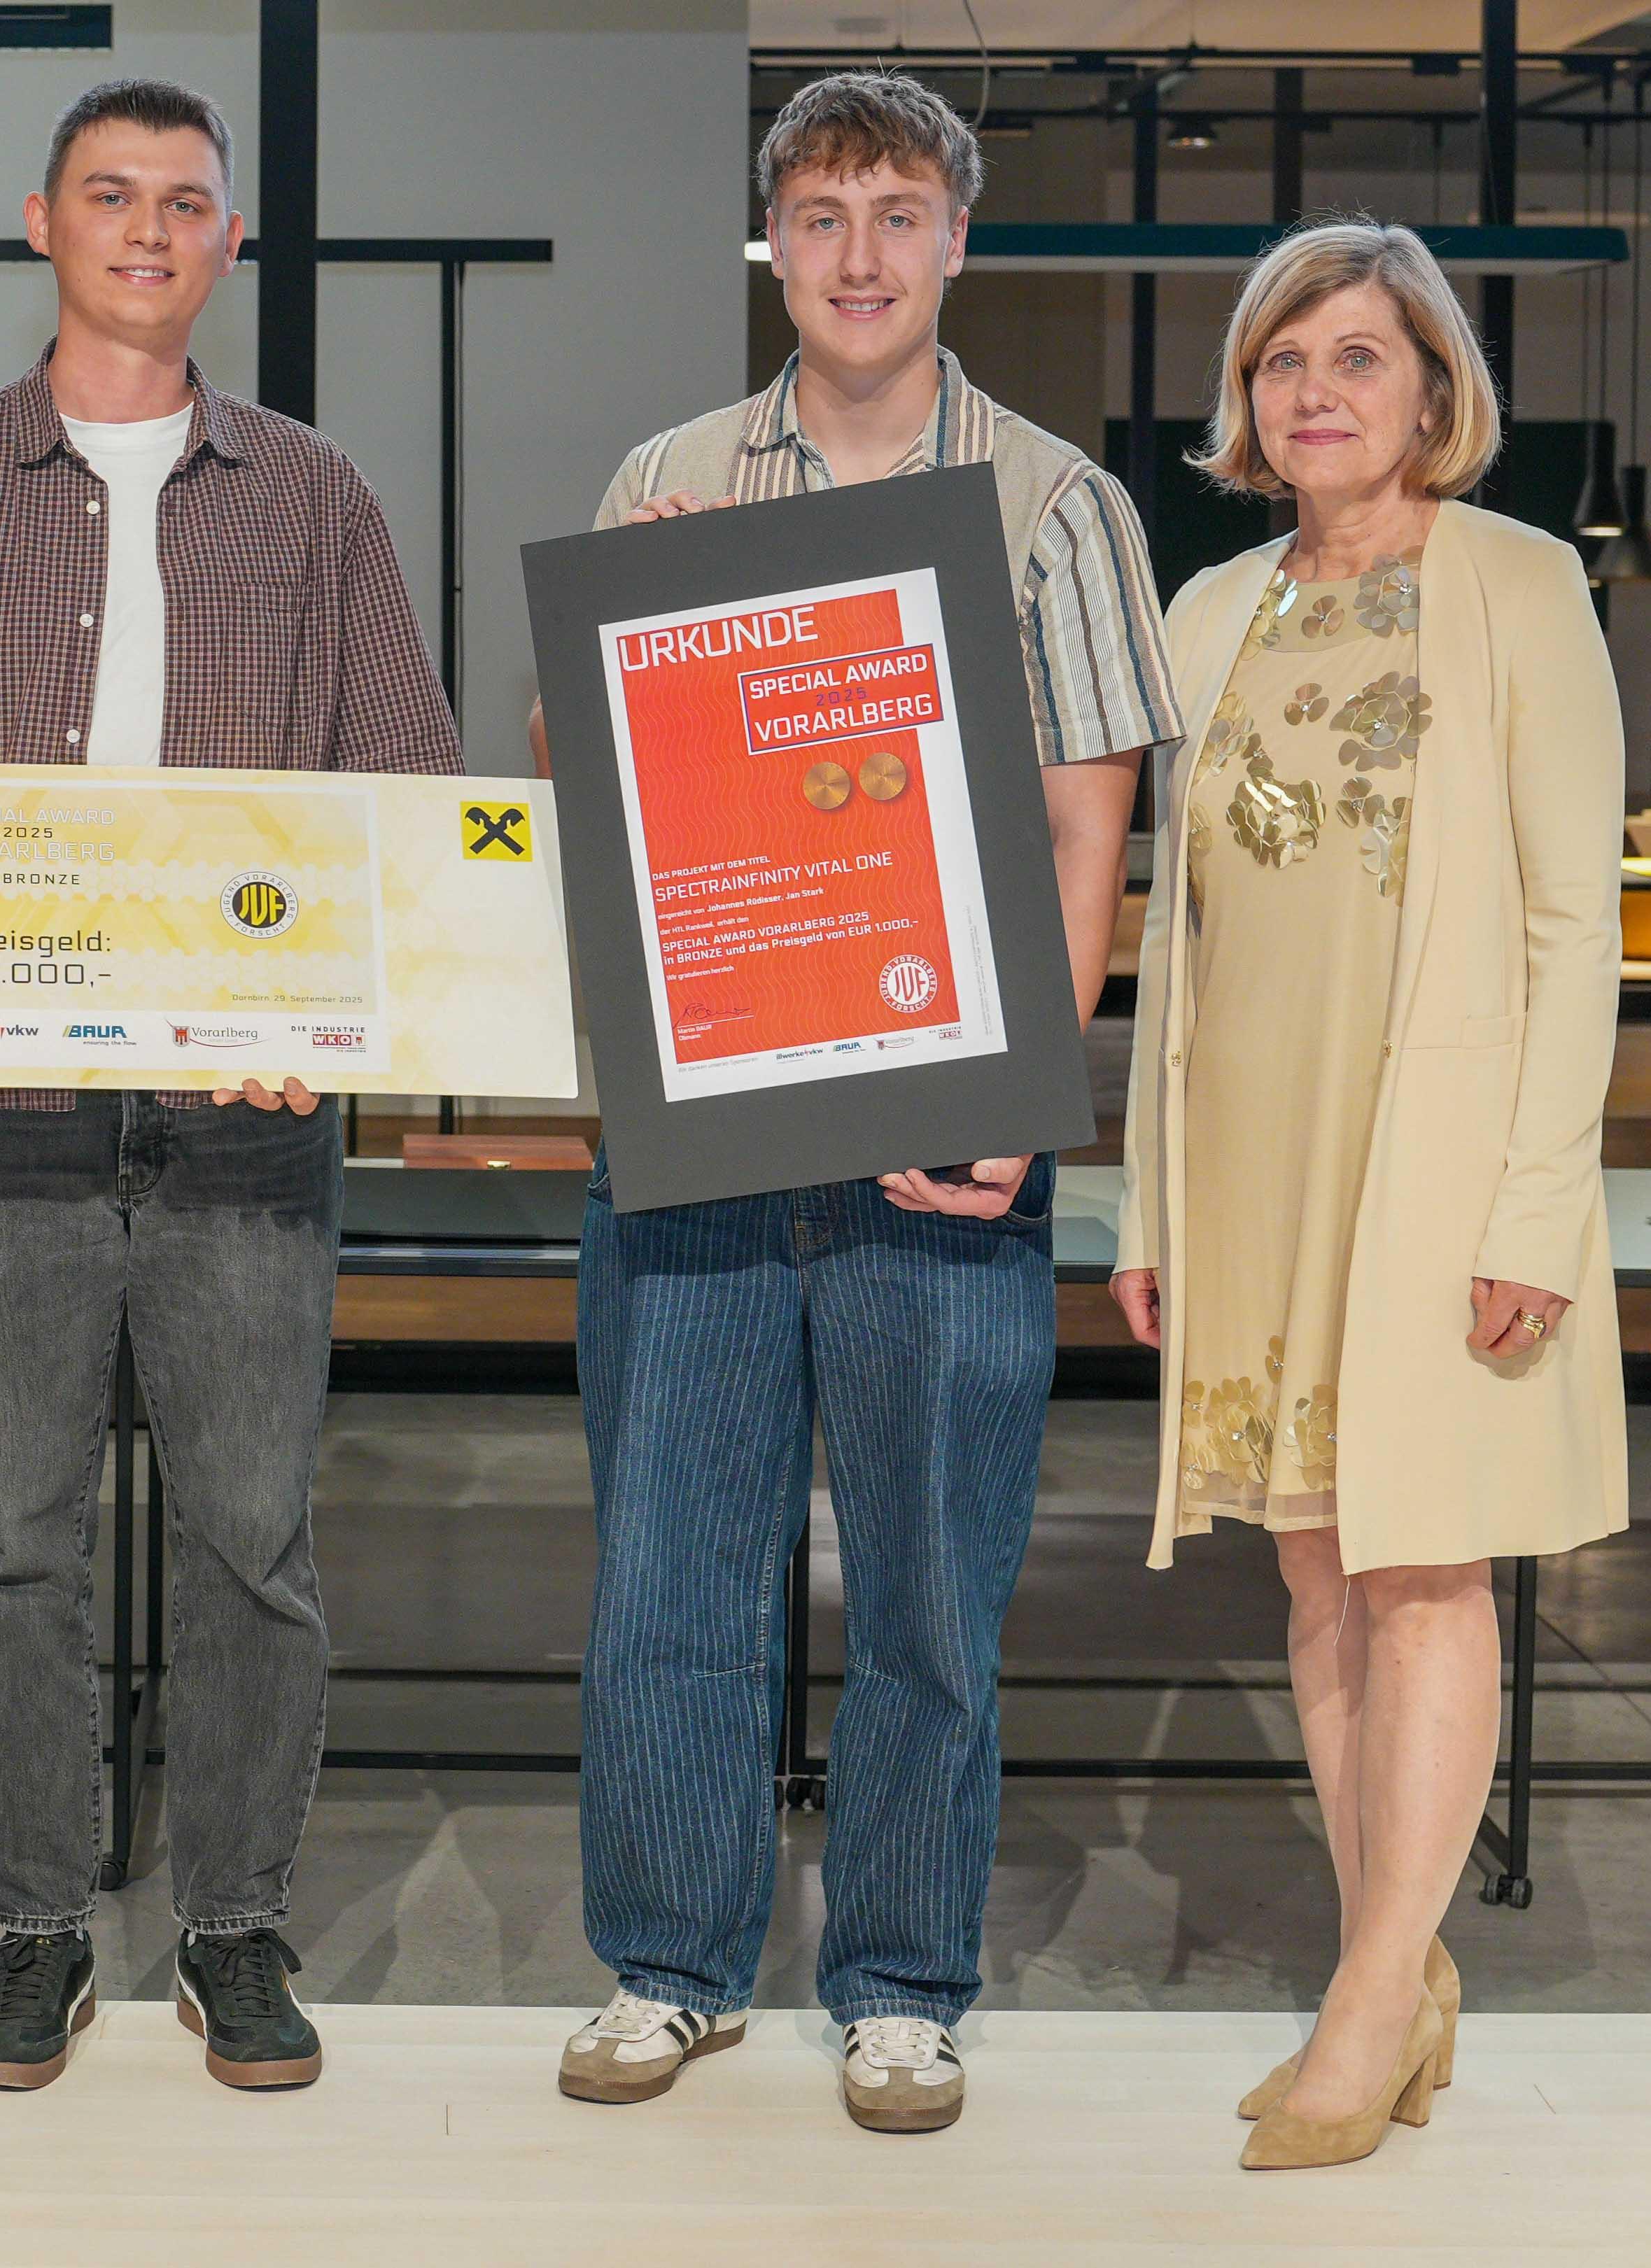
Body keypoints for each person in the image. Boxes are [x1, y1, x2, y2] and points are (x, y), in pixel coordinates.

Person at [0, 78, 462, 2096]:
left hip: (252, 1117)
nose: (150, 229)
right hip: (1, 1120)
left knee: (255, 1538)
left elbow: (405, 807)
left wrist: (336, 1015)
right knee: (15, 1541)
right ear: (43, 222)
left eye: (186, 201)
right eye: (112, 194)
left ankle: (234, 1926)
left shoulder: (319, 499)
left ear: (229, 241)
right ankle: (39, 1927)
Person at [531, 73, 1174, 2134]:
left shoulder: (1059, 507)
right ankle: (671, 1964)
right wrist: (630, 618)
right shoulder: (668, 477)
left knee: (926, 1592)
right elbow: (578, 770)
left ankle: (901, 1980)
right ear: (777, 249)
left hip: (941, 1147)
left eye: (901, 213)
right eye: (821, 217)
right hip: (706, 1137)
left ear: (957, 241)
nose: (862, 255)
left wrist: (1021, 1097)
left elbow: (1087, 835)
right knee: (672, 1577)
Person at [1111, 220, 1627, 2171]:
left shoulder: (1518, 585)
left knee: (1425, 1568)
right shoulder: (1209, 610)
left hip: (1437, 1162)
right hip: (1253, 1156)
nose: (1315, 390)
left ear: (1431, 391)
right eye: (1282, 360)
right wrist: (1153, 1204)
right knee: (1319, 1569)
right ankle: (1392, 1972)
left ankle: (1371, 1991)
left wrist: (1535, 1207)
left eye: (1357, 356)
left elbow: (1573, 924)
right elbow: (1176, 937)